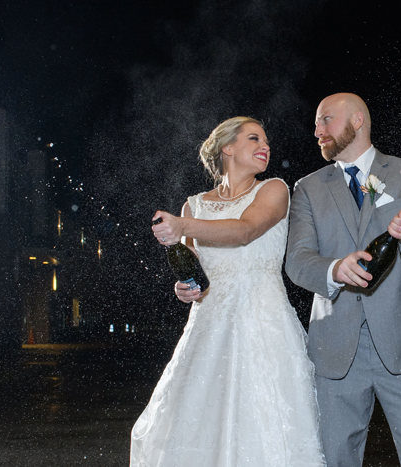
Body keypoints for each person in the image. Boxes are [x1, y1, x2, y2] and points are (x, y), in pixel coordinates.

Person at [131, 117, 326, 466]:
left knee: (263, 427)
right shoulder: (193, 206)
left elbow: (245, 230)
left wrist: (183, 226)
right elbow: (193, 271)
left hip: (263, 326)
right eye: (254, 139)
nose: (265, 146)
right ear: (228, 147)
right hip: (208, 331)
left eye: (266, 141)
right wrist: (184, 288)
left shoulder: (274, 190)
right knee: (198, 426)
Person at [286, 93, 401, 467]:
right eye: (316, 124)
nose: (317, 131)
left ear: (357, 120)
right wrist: (333, 270)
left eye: (325, 119)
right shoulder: (307, 188)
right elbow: (297, 261)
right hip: (334, 350)